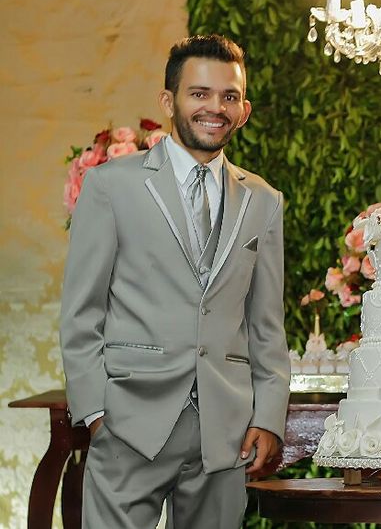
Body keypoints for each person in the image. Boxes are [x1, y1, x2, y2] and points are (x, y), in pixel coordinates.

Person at [59, 34, 290, 529]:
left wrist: (267, 416)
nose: (215, 107)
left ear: (244, 109)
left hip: (225, 434)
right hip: (129, 422)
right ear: (169, 101)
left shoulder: (264, 201)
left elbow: (266, 324)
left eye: (229, 96)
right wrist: (97, 413)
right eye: (199, 93)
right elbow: (82, 313)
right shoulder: (110, 186)